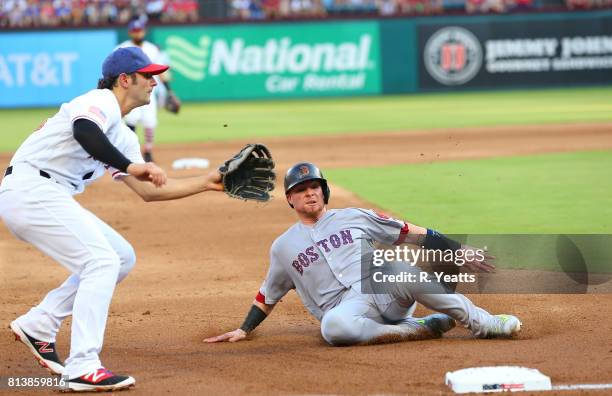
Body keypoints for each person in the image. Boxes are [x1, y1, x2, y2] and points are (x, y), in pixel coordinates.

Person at [1, 46, 225, 392]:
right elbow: (85, 133)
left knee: (120, 257)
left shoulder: (122, 134)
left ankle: (39, 323)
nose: (154, 82)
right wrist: (133, 165)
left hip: (48, 194)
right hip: (31, 189)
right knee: (101, 261)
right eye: (148, 76)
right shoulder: (100, 101)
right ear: (124, 79)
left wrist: (208, 182)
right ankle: (83, 366)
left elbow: (148, 192)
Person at [205, 162, 522, 346]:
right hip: (346, 312)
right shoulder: (283, 247)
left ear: (324, 191)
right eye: (301, 189)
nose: (310, 192)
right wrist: (244, 329)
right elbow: (267, 295)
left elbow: (409, 232)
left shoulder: (353, 216)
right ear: (290, 199)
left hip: (384, 291)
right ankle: (416, 329)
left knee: (398, 266)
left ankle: (484, 322)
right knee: (332, 329)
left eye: (314, 186)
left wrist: (456, 250)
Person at [118, 18, 177, 163]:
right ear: (130, 32)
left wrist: (170, 91)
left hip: (149, 90)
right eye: (135, 31)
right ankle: (131, 152)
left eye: (140, 30)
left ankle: (148, 152)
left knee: (150, 122)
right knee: (131, 120)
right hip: (130, 91)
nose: (138, 34)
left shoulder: (152, 49)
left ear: (144, 31)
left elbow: (161, 71)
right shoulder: (122, 48)